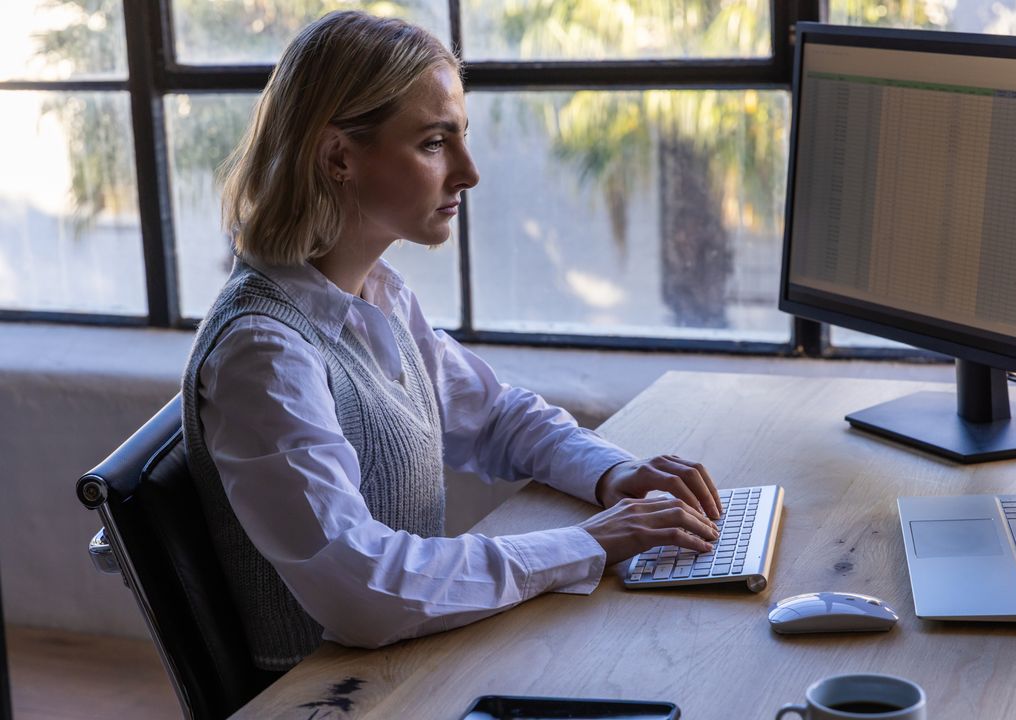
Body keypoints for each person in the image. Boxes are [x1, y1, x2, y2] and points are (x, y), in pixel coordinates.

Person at [181, 9, 722, 672]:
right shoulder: (263, 356)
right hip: (338, 697)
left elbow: (493, 417)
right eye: (435, 143)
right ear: (337, 157)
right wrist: (587, 543)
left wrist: (610, 473)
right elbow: (363, 589)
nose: (468, 171)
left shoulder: (372, 294)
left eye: (461, 137)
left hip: (414, 664)